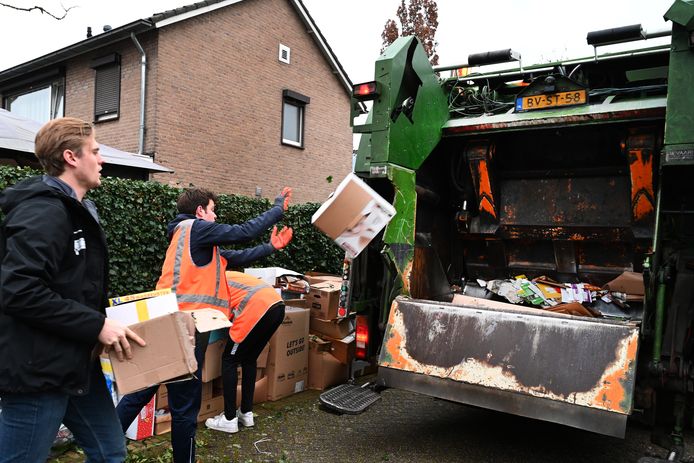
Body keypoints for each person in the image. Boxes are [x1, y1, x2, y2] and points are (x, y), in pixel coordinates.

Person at [0, 117, 146, 463]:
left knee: (111, 453)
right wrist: (95, 325)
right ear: (71, 157)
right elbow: (18, 289)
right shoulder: (45, 211)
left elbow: (73, 287)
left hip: (77, 363)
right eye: (95, 151)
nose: (101, 159)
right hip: (39, 371)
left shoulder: (78, 211)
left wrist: (107, 323)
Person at [116, 186, 293, 463]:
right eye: (212, 210)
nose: (215, 215)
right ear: (200, 211)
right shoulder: (196, 229)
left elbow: (237, 256)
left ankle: (102, 448)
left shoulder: (191, 240)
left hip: (165, 321)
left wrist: (271, 247)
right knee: (185, 407)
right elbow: (244, 231)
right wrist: (277, 209)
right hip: (184, 329)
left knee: (141, 392)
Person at [204, 267, 289, 434]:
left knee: (229, 359)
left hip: (257, 309)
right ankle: (246, 413)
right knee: (249, 359)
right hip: (277, 307)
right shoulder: (226, 276)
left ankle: (229, 419)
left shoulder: (213, 284)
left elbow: (220, 316)